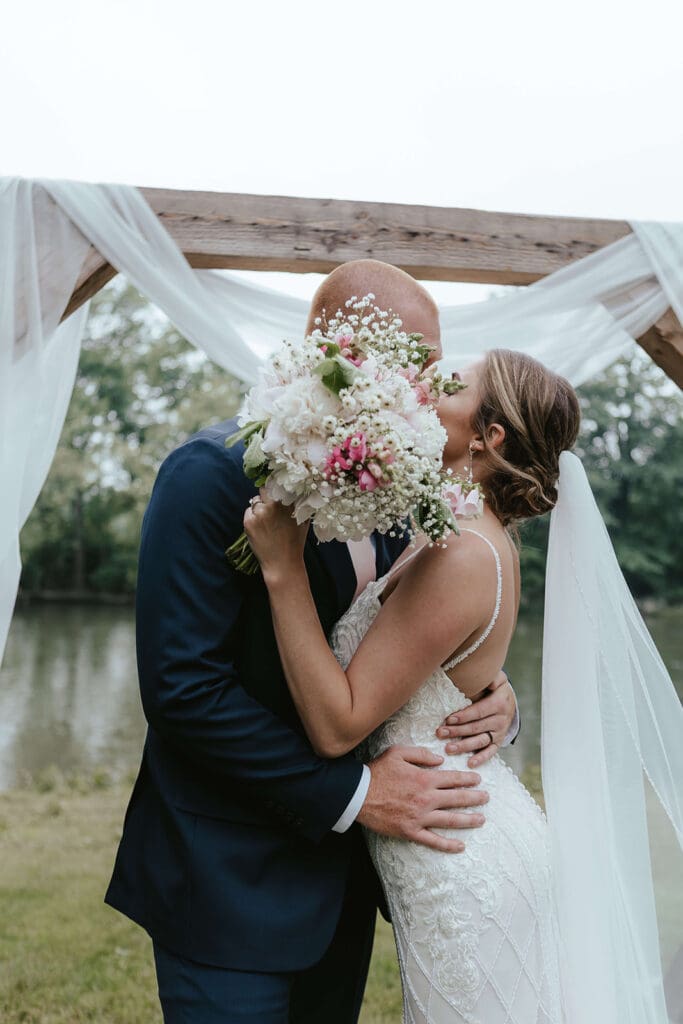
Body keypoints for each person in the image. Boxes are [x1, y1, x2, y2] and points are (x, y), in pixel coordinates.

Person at [104, 261, 520, 1024]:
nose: (427, 386)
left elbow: (414, 641)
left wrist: (493, 696)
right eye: (417, 360)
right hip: (226, 878)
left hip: (342, 888)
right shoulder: (213, 476)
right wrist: (357, 796)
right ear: (344, 353)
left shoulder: (403, 488)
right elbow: (183, 690)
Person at [245, 347, 582, 1022]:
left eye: (449, 388)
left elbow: (339, 723)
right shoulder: (448, 533)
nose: (422, 392)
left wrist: (281, 569)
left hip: (463, 862)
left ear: (487, 437)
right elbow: (435, 663)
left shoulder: (461, 551)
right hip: (452, 835)